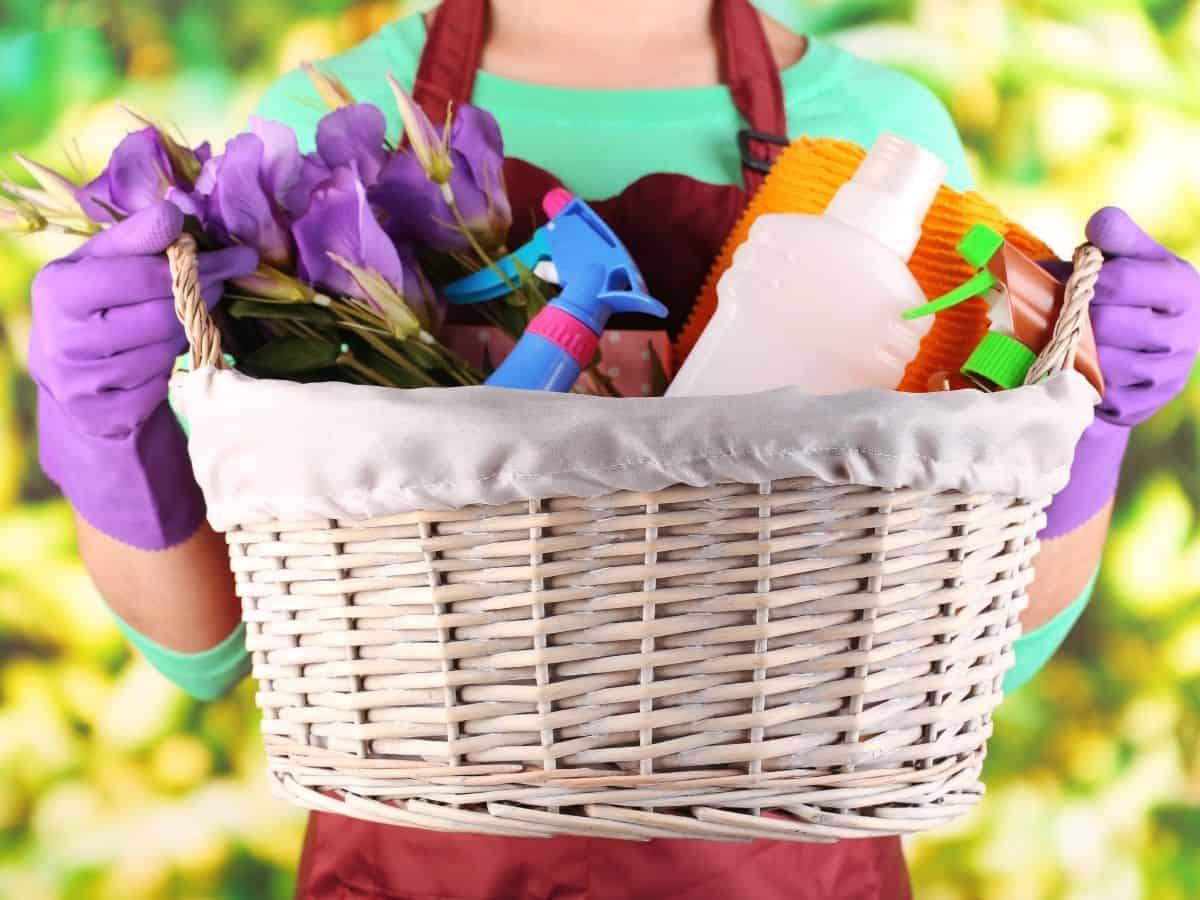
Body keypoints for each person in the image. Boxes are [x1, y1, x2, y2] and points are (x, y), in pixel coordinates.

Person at [27, 1, 1200, 897]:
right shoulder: (326, 121)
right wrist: (105, 426)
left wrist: (1084, 423)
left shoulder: (886, 131)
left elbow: (975, 660)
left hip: (782, 863)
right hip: (426, 860)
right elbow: (209, 652)